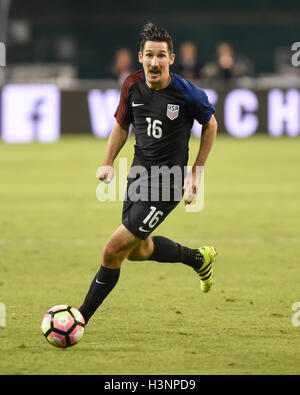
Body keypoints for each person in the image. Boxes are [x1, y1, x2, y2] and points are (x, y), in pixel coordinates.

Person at [79, 23, 218, 326]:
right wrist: (108, 161)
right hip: (138, 176)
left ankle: (78, 320)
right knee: (137, 251)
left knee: (112, 251)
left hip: (168, 183)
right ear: (140, 57)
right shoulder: (131, 84)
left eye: (161, 56)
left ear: (171, 59)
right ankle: (198, 259)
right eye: (149, 56)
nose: (155, 63)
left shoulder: (188, 94)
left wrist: (196, 172)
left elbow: (210, 124)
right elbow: (122, 125)